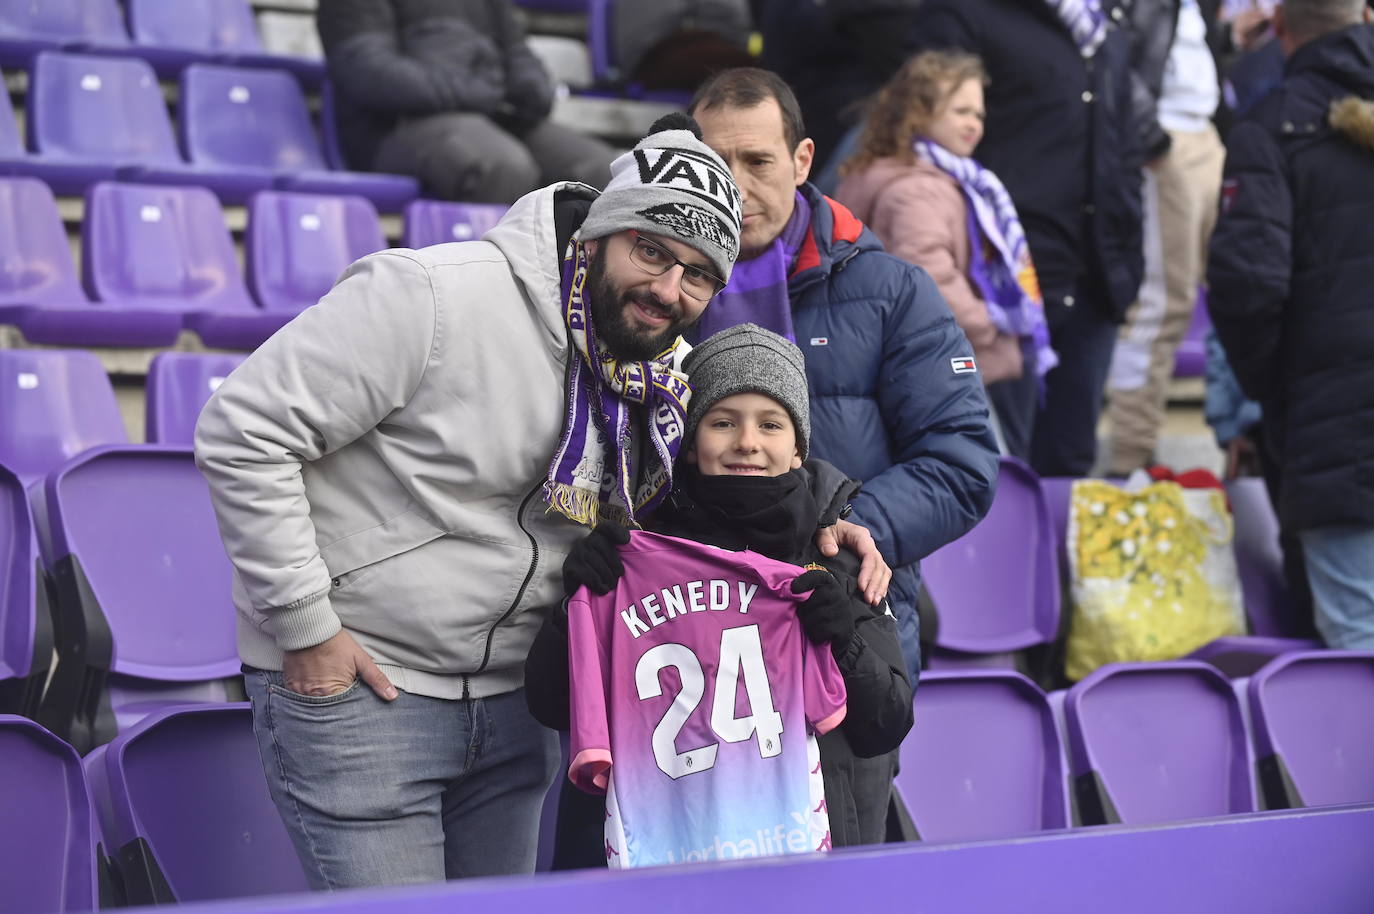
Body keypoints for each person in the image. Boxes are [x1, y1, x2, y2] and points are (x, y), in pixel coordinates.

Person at [195, 113, 885, 890]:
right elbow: (242, 429)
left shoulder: (663, 372)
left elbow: (725, 495)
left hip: (520, 712)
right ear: (597, 234)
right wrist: (305, 625)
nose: (668, 289)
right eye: (651, 250)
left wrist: (832, 521)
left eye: (698, 273)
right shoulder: (433, 295)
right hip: (370, 693)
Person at [525, 323, 913, 865]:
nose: (747, 442)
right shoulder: (636, 553)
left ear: (798, 447)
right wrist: (577, 608)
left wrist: (845, 644)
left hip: (799, 860)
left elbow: (887, 723)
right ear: (688, 443)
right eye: (722, 422)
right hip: (659, 858)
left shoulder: (835, 558)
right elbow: (549, 703)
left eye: (770, 424)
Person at [685, 67, 1001, 682]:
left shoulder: (894, 292)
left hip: (845, 623)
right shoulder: (651, 289)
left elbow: (961, 462)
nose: (735, 188)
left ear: (803, 161)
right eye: (714, 164)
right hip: (685, 628)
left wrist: (844, 531)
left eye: (757, 162)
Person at [907, 0, 1144, 478]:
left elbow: (1124, 142)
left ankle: (1054, 557)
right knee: (1002, 470)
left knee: (1072, 462)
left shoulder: (1105, 26)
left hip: (1094, 280)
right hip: (1003, 291)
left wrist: (1128, 259)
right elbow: (929, 140)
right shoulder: (964, 16)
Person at [1206, 0, 1374, 650]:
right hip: (1337, 434)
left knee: (1360, 660)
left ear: (1279, 29)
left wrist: (1277, 392)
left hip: (1336, 434)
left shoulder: (1268, 128)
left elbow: (1248, 287)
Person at [835, 51, 1057, 460]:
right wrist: (989, 322)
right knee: (980, 472)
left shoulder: (910, 173)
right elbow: (929, 277)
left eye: (979, 114)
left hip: (918, 357)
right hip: (940, 362)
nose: (974, 123)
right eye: (961, 111)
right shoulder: (917, 189)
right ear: (919, 113)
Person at [1102, 0, 1233, 475]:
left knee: (1235, 288)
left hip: (1206, 135)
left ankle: (1242, 442)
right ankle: (1131, 455)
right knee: (1160, 303)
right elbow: (1112, 57)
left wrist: (1237, 42)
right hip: (1167, 143)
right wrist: (1150, 139)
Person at [316, 0, 616, 203]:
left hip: (492, 115)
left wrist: (531, 89)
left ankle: (584, 289)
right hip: (394, 125)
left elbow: (518, 52)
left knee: (603, 169)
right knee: (500, 165)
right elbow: (367, 71)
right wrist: (473, 92)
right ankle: (491, 285)